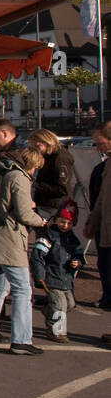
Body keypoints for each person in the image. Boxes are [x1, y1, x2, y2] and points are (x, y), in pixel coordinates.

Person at [0, 146, 46, 355]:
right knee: (22, 289)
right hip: (12, 237)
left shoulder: (6, 172)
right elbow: (24, 212)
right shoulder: (20, 177)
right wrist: (40, 221)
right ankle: (21, 339)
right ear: (32, 165)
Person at [33, 201, 82, 343]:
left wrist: (77, 263)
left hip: (66, 278)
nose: (65, 226)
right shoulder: (49, 235)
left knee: (70, 304)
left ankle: (48, 310)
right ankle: (56, 331)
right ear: (56, 219)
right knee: (60, 305)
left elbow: (79, 256)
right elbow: (37, 256)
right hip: (52, 276)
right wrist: (39, 276)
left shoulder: (73, 239)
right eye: (62, 221)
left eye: (69, 223)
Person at [86, 122, 111, 310]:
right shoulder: (106, 165)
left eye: (101, 143)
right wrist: (93, 220)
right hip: (105, 226)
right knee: (105, 265)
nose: (98, 147)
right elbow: (102, 198)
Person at [28, 128, 74, 217]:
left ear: (48, 142)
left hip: (55, 206)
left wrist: (37, 186)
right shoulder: (47, 156)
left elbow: (62, 188)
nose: (36, 150)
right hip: (47, 204)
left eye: (38, 146)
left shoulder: (59, 158)